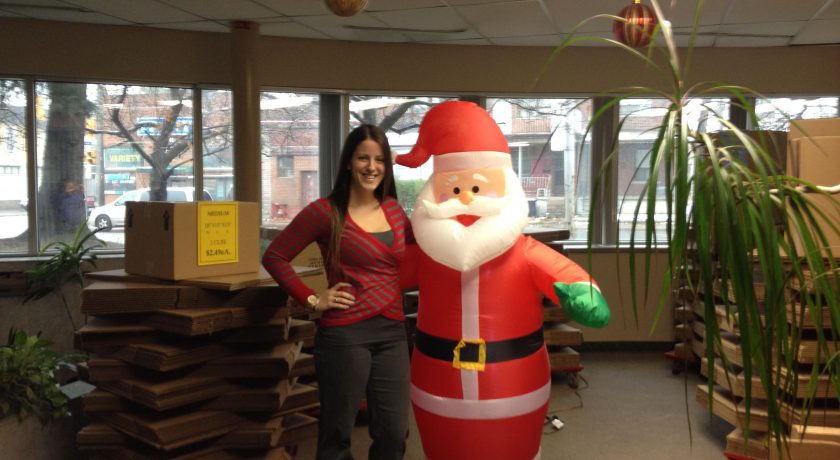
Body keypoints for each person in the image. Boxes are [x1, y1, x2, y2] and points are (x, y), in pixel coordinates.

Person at [396, 101, 610, 460]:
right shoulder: (428, 254)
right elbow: (386, 276)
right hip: (437, 379)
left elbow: (568, 278)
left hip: (513, 380)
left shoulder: (524, 253)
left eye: (478, 189)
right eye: (453, 189)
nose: (465, 198)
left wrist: (582, 293)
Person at [262, 124, 413, 460]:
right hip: (345, 333)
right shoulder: (325, 211)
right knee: (337, 433)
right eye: (363, 158)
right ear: (348, 162)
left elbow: (431, 241)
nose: (371, 167)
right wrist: (313, 298)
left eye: (380, 160)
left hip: (392, 332)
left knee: (394, 432)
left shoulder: (393, 209)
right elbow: (275, 256)